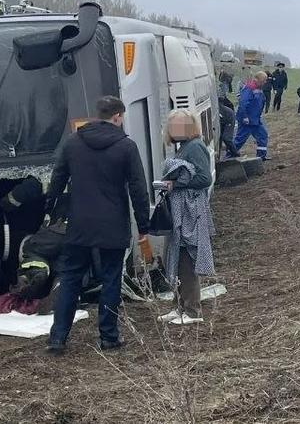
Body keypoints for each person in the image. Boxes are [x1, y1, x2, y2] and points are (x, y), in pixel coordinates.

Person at [46, 96, 150, 354]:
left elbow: (57, 178)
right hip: (113, 224)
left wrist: (50, 210)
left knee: (70, 279)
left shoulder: (73, 143)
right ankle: (108, 337)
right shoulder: (126, 146)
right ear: (117, 116)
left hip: (79, 224)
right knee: (111, 279)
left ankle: (58, 337)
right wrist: (143, 224)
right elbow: (138, 188)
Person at [157, 110, 216, 325]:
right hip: (182, 211)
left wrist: (175, 184)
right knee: (177, 257)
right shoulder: (184, 147)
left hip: (190, 212)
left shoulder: (195, 147)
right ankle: (179, 306)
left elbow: (204, 179)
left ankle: (192, 310)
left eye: (180, 125)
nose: (175, 129)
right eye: (172, 125)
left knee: (187, 259)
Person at [233, 72, 268, 160]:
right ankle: (228, 156)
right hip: (247, 120)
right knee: (240, 140)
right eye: (263, 80)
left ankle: (261, 157)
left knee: (263, 136)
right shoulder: (249, 88)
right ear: (257, 79)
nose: (265, 82)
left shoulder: (259, 89)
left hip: (255, 120)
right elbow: (243, 103)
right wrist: (245, 117)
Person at [217, 92, 240, 160]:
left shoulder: (220, 106)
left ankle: (235, 153)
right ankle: (219, 155)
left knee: (226, 138)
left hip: (229, 118)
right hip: (222, 120)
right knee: (219, 137)